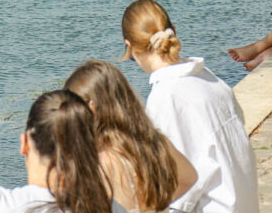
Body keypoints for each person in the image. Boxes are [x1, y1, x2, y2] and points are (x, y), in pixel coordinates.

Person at [121, 0, 259, 213]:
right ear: (174, 31)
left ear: (130, 47)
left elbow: (175, 188)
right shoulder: (211, 80)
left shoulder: (166, 98)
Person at [65, 59, 197, 212]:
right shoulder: (155, 142)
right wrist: (157, 204)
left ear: (92, 107)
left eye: (73, 107)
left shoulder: (100, 160)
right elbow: (189, 178)